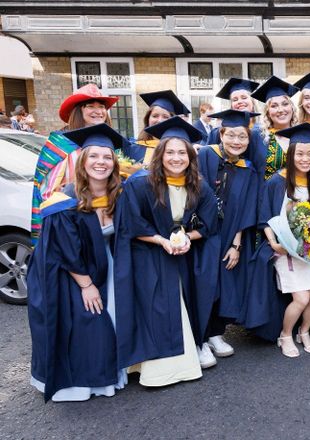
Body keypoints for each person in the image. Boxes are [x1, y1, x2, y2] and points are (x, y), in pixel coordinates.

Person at [27, 123, 129, 402]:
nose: (101, 162)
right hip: (69, 271)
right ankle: (83, 382)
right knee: (89, 319)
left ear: (114, 163)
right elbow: (65, 249)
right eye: (94, 156)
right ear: (82, 163)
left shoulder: (120, 194)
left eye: (107, 157)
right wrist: (86, 285)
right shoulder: (64, 201)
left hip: (103, 262)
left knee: (115, 312)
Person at [114, 116, 219, 386]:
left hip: (182, 251)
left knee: (187, 294)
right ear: (160, 155)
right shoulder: (140, 184)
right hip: (149, 251)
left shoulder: (199, 185)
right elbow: (131, 224)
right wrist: (162, 241)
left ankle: (193, 348)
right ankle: (155, 365)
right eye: (170, 152)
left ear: (190, 156)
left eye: (181, 152)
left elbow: (208, 226)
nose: (176, 158)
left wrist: (187, 237)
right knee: (159, 301)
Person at [196, 110, 261, 366]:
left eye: (242, 136)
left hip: (229, 233)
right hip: (203, 233)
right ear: (221, 134)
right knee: (203, 284)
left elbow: (247, 208)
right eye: (231, 134)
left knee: (225, 282)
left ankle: (215, 333)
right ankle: (199, 340)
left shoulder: (248, 169)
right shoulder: (205, 156)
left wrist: (237, 243)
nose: (237, 141)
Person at [256, 123, 310, 357]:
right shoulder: (277, 181)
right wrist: (274, 243)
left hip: (307, 251)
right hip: (283, 251)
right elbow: (265, 216)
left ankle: (303, 332)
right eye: (300, 153)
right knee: (301, 298)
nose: (305, 159)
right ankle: (285, 335)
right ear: (290, 154)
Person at [31, 84, 119, 242]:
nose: (98, 111)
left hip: (108, 218)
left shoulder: (110, 141)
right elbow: (46, 190)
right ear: (79, 110)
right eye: (90, 106)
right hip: (74, 221)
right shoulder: (60, 143)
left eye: (101, 107)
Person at [252, 76, 301, 180]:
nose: (280, 110)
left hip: (299, 195)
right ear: (268, 112)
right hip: (266, 194)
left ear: (292, 108)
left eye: (285, 104)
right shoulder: (258, 136)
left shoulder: (302, 134)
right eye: (274, 106)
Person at [124, 90, 190, 164]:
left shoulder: (182, 150)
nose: (159, 120)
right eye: (155, 116)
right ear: (147, 119)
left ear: (172, 120)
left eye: (165, 117)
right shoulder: (132, 149)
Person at [207, 78, 261, 161]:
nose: (239, 101)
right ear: (231, 105)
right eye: (235, 100)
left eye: (244, 97)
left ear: (252, 102)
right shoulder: (218, 133)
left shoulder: (263, 132)